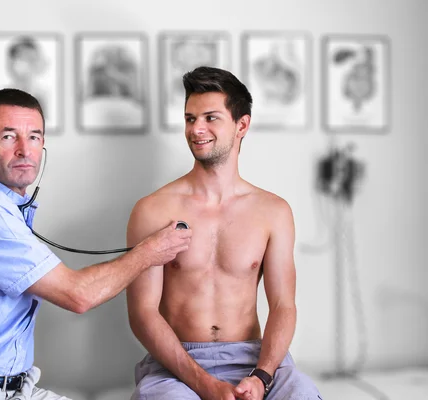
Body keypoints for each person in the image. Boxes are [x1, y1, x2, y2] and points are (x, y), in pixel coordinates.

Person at [0, 88, 192, 400]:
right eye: (9, 137)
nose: (25, 150)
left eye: (35, 137)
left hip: (6, 387)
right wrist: (150, 252)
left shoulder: (7, 207)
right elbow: (78, 295)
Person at [126, 66, 322, 400]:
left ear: (241, 125)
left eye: (210, 118)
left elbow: (282, 305)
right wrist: (204, 384)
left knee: (302, 393)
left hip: (253, 360)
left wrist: (261, 377)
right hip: (177, 364)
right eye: (190, 119)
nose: (196, 129)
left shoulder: (273, 211)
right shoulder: (152, 210)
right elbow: (142, 313)